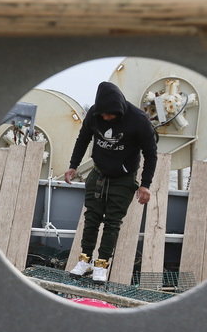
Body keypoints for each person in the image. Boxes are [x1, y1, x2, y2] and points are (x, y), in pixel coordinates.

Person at [64, 81, 158, 282]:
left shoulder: (139, 120)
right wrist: (73, 165)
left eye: (110, 115)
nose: (106, 118)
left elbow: (151, 153)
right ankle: (85, 260)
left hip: (123, 178)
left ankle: (102, 264)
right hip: (98, 173)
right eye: (103, 115)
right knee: (91, 218)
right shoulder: (95, 114)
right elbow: (83, 139)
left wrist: (145, 184)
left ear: (120, 110)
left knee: (112, 223)